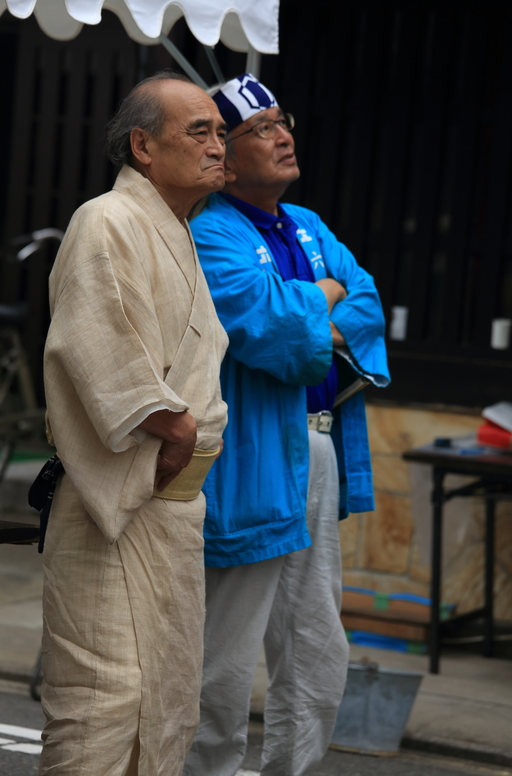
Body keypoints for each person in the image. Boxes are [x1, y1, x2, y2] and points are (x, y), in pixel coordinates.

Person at [183, 74, 390, 776]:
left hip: (319, 440)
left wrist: (313, 308)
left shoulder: (308, 223)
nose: (283, 134)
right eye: (261, 128)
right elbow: (267, 330)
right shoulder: (211, 231)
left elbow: (365, 303)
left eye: (283, 120)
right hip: (252, 452)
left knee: (315, 642)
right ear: (224, 156)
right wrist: (319, 303)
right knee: (227, 652)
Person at [40, 71, 228, 776]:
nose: (219, 146)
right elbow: (97, 345)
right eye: (199, 131)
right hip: (115, 504)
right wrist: (175, 427)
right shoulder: (108, 219)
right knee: (104, 703)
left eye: (218, 132)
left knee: (165, 696)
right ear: (143, 146)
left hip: (174, 512)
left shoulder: (178, 230)